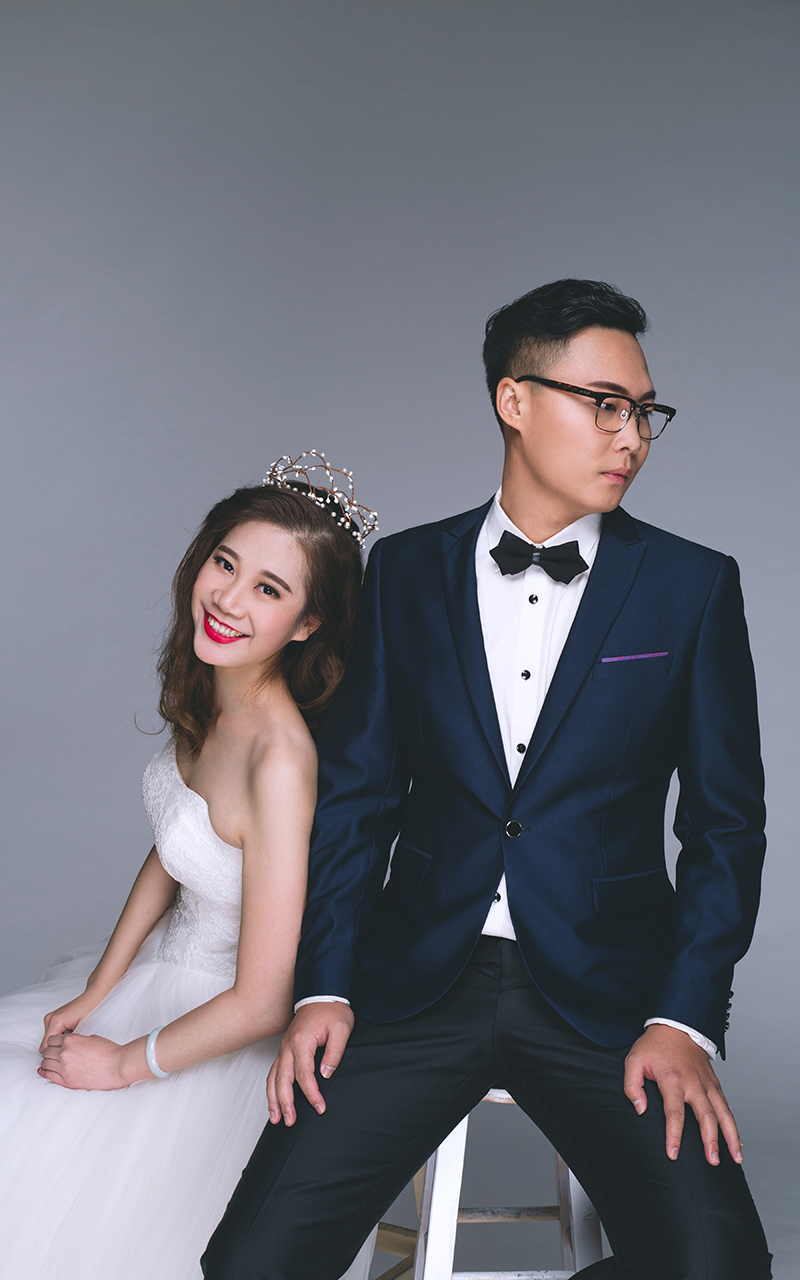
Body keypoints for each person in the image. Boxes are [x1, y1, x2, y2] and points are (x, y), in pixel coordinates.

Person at [202, 281, 772, 1280]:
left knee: (718, 1265)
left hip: (611, 997)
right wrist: (324, 986)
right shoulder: (403, 572)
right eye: (604, 404)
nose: (631, 437)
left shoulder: (692, 587)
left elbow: (725, 826)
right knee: (252, 1263)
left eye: (645, 412)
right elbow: (358, 802)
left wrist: (683, 1017)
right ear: (514, 400)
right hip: (413, 983)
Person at [0, 455, 378, 1280]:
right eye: (225, 563)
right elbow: (176, 846)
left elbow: (263, 998)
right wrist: (99, 988)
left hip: (218, 1030)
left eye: (269, 590)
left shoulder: (281, 761)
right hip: (156, 977)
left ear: (308, 624)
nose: (229, 599)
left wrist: (122, 1062)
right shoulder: (217, 691)